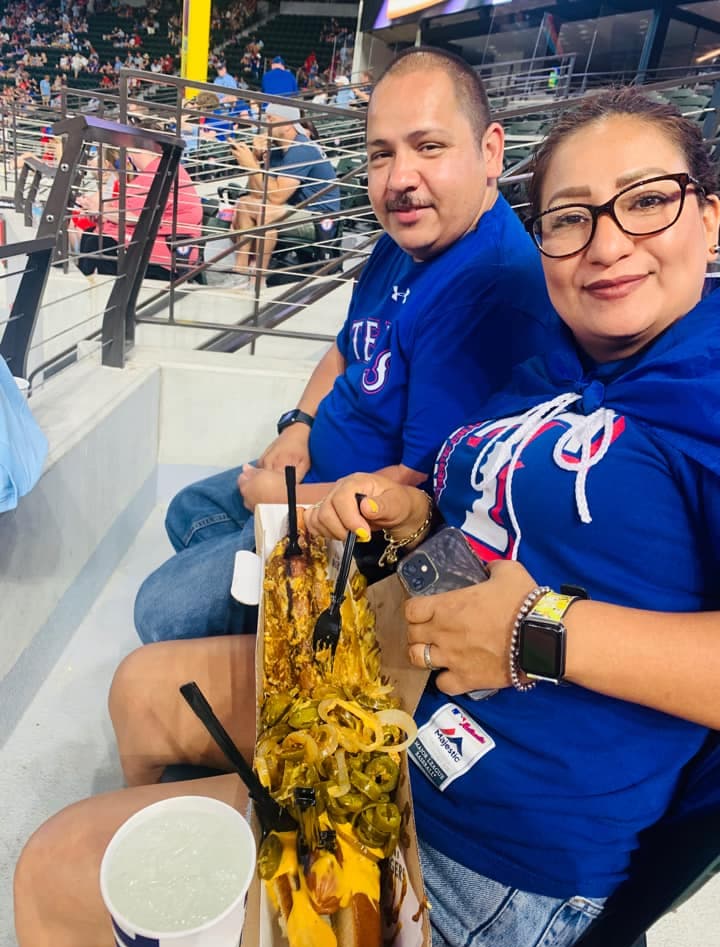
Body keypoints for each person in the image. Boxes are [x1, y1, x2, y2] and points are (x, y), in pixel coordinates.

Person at [14, 86, 720, 947]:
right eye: (571, 217)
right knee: (143, 692)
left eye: (648, 201)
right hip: (392, 692)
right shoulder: (553, 361)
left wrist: (541, 633)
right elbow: (489, 528)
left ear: (711, 216)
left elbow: (539, 602)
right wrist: (414, 514)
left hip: (488, 838)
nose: (607, 243)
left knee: (51, 871)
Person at [132, 46, 556, 644]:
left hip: (361, 529)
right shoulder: (408, 235)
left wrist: (280, 499)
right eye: (382, 154)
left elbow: (415, 489)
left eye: (428, 146)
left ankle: (297, 631)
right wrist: (300, 426)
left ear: (490, 151)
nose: (400, 178)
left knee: (161, 610)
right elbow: (343, 351)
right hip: (318, 471)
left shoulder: (488, 288)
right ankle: (272, 618)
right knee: (188, 510)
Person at [228, 101, 340, 279]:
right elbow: (257, 193)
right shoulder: (278, 150)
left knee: (266, 213)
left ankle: (258, 277)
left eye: (271, 119)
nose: (266, 125)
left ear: (287, 124)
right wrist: (255, 160)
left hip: (318, 217)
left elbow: (276, 197)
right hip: (294, 209)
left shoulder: (301, 148)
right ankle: (240, 270)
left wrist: (252, 166)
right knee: (244, 203)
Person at [77, 128, 203, 281]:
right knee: (93, 236)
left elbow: (134, 217)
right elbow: (126, 210)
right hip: (155, 245)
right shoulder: (158, 171)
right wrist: (98, 211)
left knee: (98, 242)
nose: (129, 157)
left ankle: (96, 293)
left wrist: (100, 210)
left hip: (163, 256)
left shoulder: (161, 173)